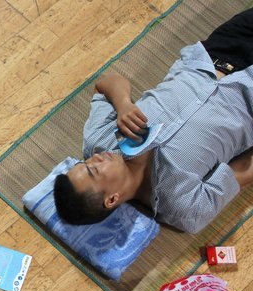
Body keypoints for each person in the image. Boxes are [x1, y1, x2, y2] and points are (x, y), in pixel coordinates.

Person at [53, 9, 253, 233]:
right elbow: (242, 172)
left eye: (85, 163)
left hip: (214, 54)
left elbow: (105, 83)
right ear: (111, 199)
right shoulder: (182, 208)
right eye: (93, 171)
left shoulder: (99, 140)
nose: (95, 159)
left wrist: (123, 105)